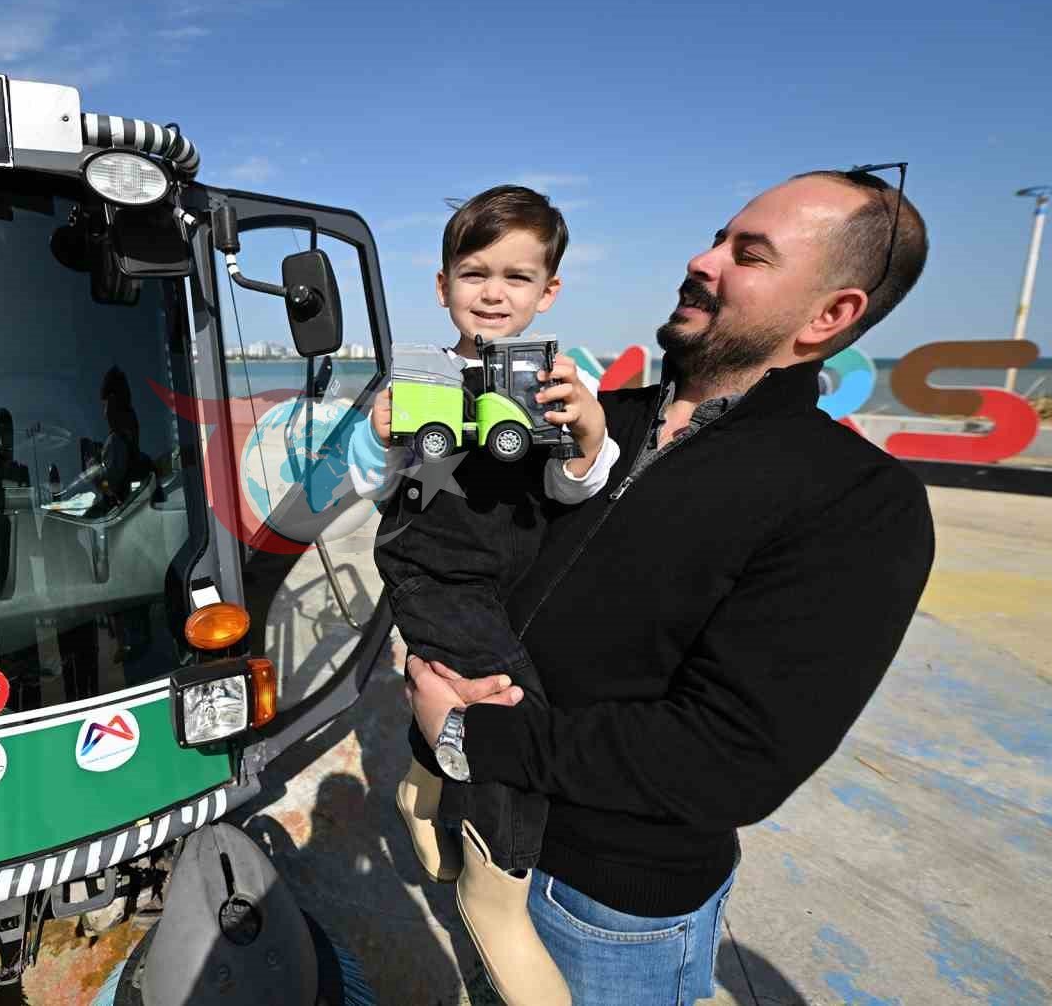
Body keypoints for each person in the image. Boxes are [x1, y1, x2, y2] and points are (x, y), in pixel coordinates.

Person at [406, 168, 936, 1004]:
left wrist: (474, 736)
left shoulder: (859, 500)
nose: (701, 259)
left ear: (830, 315)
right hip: (478, 823)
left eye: (748, 254)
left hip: (606, 907)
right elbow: (463, 559)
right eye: (718, 236)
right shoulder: (586, 420)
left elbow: (732, 759)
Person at [348, 185, 620, 1003]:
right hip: (433, 565)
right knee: (510, 705)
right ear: (443, 287)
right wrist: (375, 438)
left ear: (549, 291)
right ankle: (496, 885)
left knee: (465, 681)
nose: (494, 293)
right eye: (474, 274)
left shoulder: (562, 378)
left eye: (516, 276)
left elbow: (573, 491)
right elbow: (365, 486)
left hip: (513, 571)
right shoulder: (416, 376)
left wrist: (590, 437)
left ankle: (424, 783)